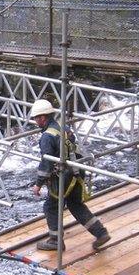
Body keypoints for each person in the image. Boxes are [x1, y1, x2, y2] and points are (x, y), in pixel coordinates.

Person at [30, 99, 111, 251]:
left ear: (42, 117)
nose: (35, 121)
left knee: (51, 206)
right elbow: (70, 143)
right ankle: (101, 233)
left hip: (63, 175)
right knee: (75, 204)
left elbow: (47, 162)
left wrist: (38, 184)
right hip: (76, 169)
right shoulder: (63, 127)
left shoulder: (47, 136)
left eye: (36, 118)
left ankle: (55, 240)